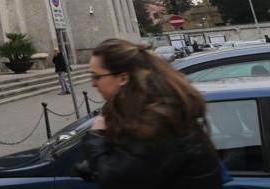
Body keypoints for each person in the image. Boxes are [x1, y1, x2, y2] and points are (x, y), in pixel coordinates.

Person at [75, 39, 223, 188]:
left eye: (97, 76)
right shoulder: (144, 110)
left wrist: (96, 137)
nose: (93, 83)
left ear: (123, 78)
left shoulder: (157, 120)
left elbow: (118, 180)